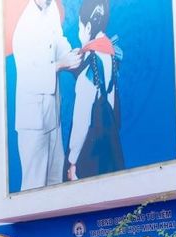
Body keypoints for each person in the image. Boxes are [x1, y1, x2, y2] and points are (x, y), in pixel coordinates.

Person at [12, 0, 82, 190]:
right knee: (34, 184)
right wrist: (61, 64)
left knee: (55, 178)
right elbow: (28, 75)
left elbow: (58, 39)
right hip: (32, 120)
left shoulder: (51, 10)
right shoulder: (24, 26)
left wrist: (70, 54)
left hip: (52, 113)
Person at [67, 0, 123, 181]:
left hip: (88, 156)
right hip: (109, 150)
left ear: (88, 27)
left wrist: (72, 161)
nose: (79, 33)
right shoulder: (111, 55)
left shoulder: (89, 68)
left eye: (80, 28)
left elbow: (81, 120)